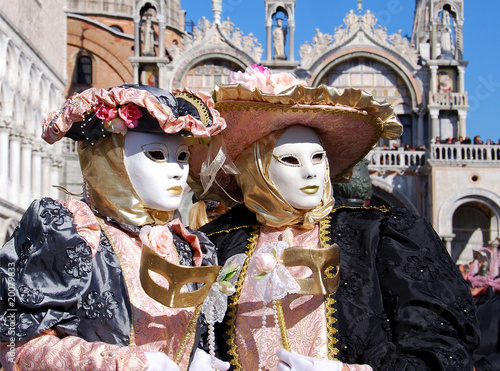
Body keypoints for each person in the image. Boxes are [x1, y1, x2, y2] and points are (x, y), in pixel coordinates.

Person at [189, 65, 479, 370]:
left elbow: (442, 349)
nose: (310, 171)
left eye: (318, 156)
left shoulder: (377, 236)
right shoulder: (219, 242)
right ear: (255, 170)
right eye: (290, 159)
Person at [0, 84, 229, 371]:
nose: (176, 170)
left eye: (182, 156)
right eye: (156, 154)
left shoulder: (190, 245)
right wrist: (127, 364)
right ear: (109, 158)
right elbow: (16, 347)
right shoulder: (70, 235)